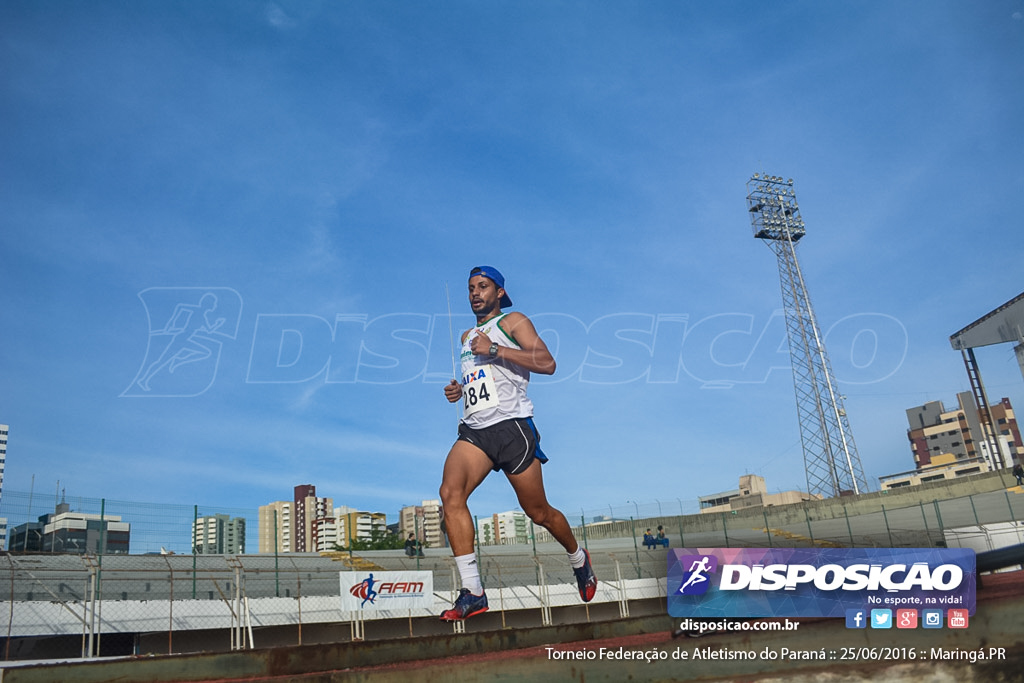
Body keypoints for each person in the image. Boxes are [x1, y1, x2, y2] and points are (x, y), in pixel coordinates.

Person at [438, 266, 597, 621]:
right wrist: (460, 391)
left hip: (512, 429)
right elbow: (487, 381)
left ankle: (577, 557)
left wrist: (494, 347)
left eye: (483, 287)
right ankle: (473, 591)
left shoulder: (513, 321)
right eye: (470, 288)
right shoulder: (466, 336)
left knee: (538, 512)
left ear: (499, 292)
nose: (475, 293)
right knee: (450, 494)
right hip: (476, 431)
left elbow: (547, 362)